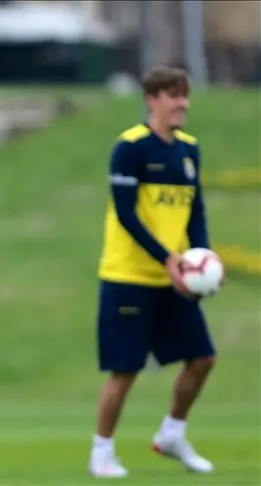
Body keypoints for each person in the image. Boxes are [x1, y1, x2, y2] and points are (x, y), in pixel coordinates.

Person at [90, 66, 217, 478]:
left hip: (174, 280)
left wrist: (201, 261)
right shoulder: (130, 148)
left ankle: (172, 434)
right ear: (152, 99)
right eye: (173, 95)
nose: (182, 103)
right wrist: (169, 259)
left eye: (184, 95)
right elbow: (127, 215)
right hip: (128, 278)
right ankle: (102, 452)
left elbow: (195, 213)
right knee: (125, 370)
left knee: (202, 359)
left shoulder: (189, 150)